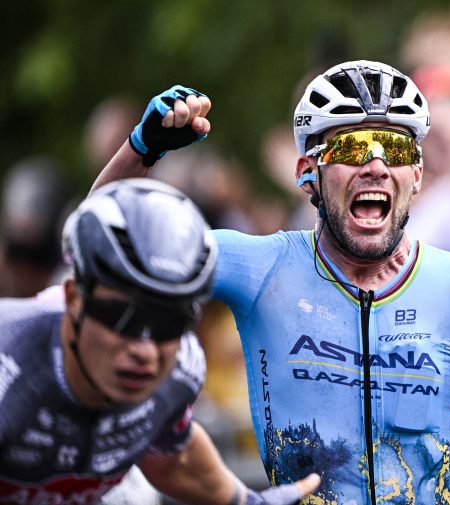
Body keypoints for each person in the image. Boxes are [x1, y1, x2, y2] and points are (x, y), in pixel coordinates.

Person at [91, 63, 450, 505]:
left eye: (394, 147)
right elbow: (103, 248)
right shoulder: (261, 267)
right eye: (353, 147)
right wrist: (142, 150)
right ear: (306, 173)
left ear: (419, 176)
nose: (377, 164)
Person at [0, 178, 320, 504]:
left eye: (170, 324)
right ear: (73, 300)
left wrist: (247, 501)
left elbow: (173, 459)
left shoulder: (181, 366)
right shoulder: (8, 370)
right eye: (122, 318)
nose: (144, 350)